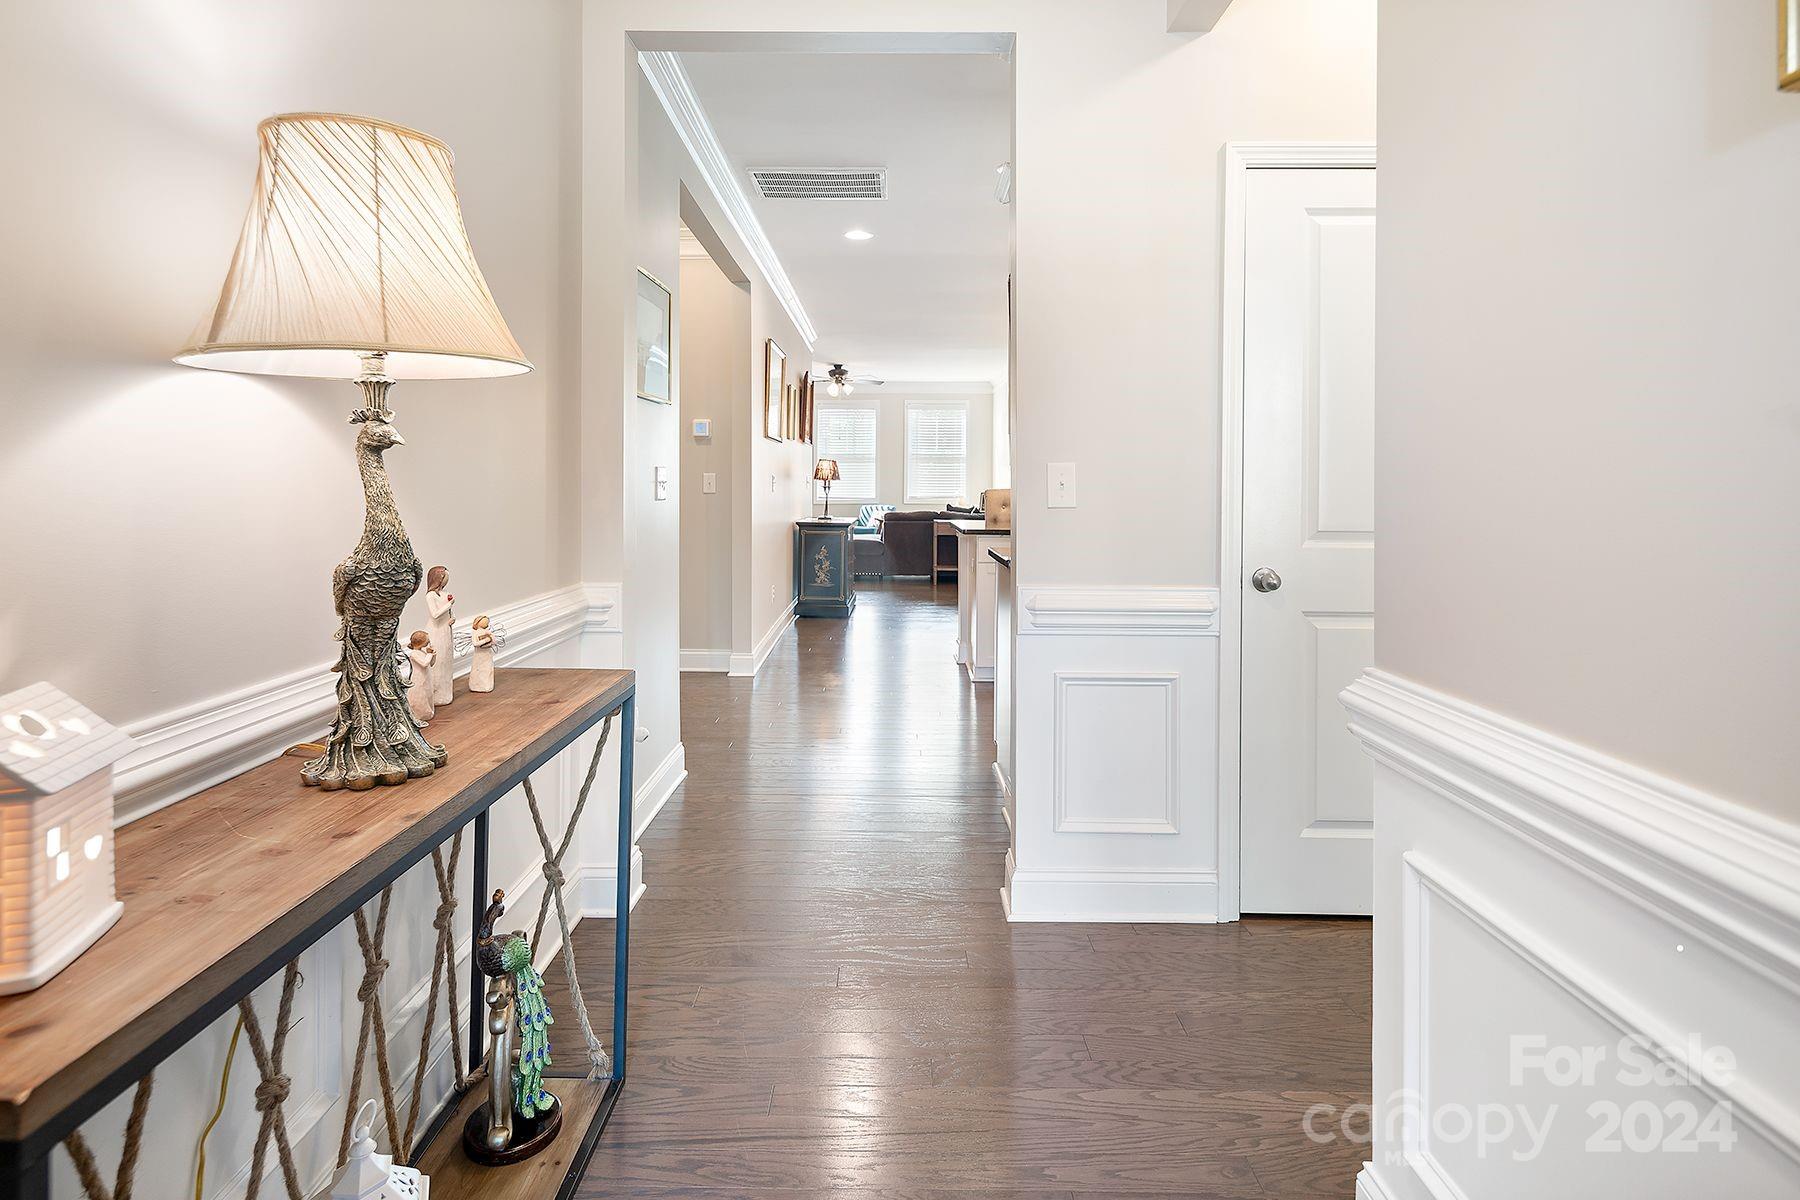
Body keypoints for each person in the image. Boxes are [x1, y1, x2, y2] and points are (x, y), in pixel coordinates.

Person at [424, 565, 455, 706]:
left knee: (446, 661)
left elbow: (448, 612)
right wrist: (449, 605)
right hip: (436, 631)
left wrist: (452, 617)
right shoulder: (430, 596)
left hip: (446, 629)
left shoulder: (445, 594)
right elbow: (435, 614)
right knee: (438, 660)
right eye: (444, 577)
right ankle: (435, 694)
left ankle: (445, 692)